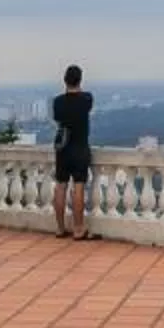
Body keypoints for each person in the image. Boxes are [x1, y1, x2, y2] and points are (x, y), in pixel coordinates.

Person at [51, 65, 95, 239]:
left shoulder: (57, 102)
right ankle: (78, 229)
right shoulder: (86, 99)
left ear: (64, 80)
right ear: (80, 80)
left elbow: (57, 118)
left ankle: (60, 228)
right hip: (80, 147)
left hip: (62, 149)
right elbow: (86, 104)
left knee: (60, 186)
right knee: (78, 187)